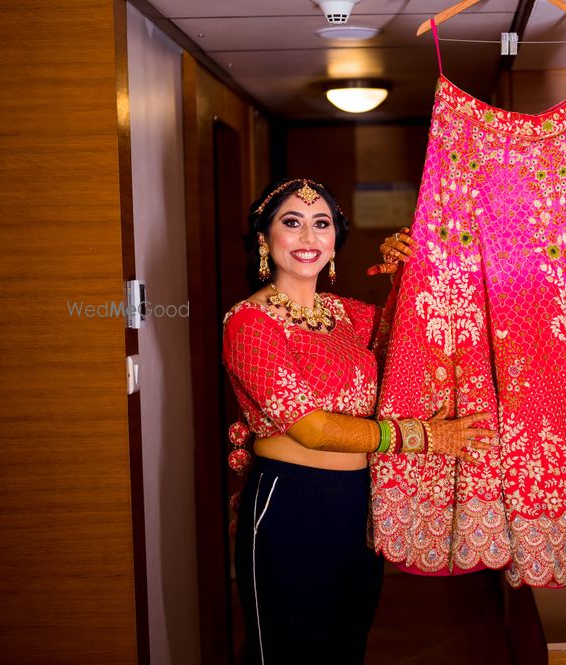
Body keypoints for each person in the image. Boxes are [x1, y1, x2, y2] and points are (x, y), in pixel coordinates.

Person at [222, 177, 494, 664]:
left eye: (321, 224)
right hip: (290, 505)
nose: (309, 237)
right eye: (292, 223)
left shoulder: (345, 315)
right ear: (264, 238)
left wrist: (410, 268)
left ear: (334, 241)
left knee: (346, 649)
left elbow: (417, 336)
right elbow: (312, 428)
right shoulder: (249, 322)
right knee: (288, 653)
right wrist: (425, 437)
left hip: (358, 504)